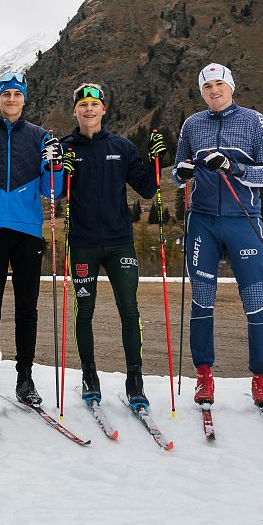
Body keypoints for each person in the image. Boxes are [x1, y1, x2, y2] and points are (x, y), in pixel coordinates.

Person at [173, 63, 263, 408]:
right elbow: (177, 174)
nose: (214, 91)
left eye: (219, 84)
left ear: (231, 86)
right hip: (202, 221)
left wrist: (236, 168)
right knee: (202, 298)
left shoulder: (254, 121)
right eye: (207, 87)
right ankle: (204, 376)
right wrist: (182, 172)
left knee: (255, 300)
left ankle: (261, 380)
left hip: (243, 221)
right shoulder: (192, 124)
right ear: (201, 92)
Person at [59, 83, 164, 409]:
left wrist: (155, 160)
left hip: (119, 244)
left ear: (104, 109)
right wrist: (57, 170)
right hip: (83, 243)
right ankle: (89, 375)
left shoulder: (121, 146)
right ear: (75, 111)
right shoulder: (64, 148)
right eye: (82, 105)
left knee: (129, 310)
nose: (88, 109)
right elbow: (53, 193)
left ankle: (135, 379)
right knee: (85, 311)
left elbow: (147, 189)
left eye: (94, 104)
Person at [0, 71, 61, 410]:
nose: (12, 100)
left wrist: (55, 165)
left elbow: (54, 190)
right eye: (7, 95)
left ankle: (25, 379)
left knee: (26, 309)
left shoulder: (40, 136)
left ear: (24, 98)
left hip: (28, 231)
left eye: (17, 95)